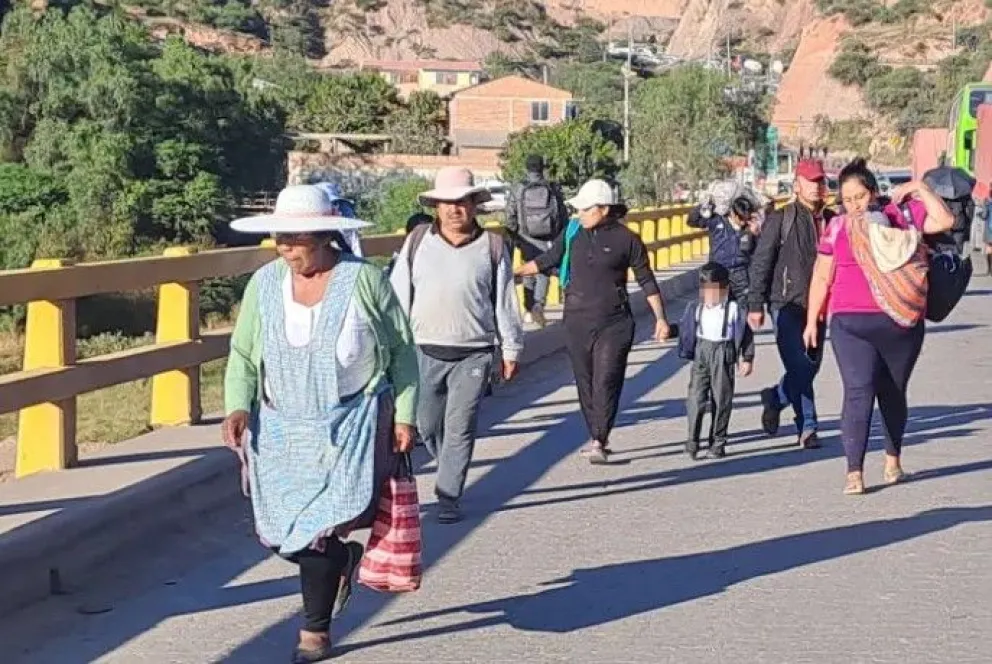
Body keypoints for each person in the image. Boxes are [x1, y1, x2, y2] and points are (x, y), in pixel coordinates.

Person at [220, 185, 420, 662]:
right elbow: (244, 353)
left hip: (349, 425)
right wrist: (238, 406)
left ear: (327, 235)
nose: (286, 249)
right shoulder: (265, 284)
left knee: (319, 529)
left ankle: (314, 631)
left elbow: (402, 350)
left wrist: (407, 414)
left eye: (296, 239)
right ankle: (341, 562)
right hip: (280, 430)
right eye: (279, 239)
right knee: (282, 532)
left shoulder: (365, 282)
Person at [805, 159, 953, 495]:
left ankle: (892, 460)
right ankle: (853, 472)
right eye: (847, 199)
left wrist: (919, 188)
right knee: (858, 390)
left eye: (860, 196)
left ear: (872, 192)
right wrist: (812, 319)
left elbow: (945, 219)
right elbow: (822, 274)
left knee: (892, 391)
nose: (855, 205)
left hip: (900, 323)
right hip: (849, 323)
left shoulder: (902, 214)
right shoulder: (837, 227)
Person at [389, 167, 525, 524]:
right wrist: (391, 344)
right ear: (436, 206)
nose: (454, 209)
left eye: (461, 202)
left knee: (461, 426)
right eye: (446, 203)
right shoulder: (417, 241)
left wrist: (510, 348)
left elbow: (505, 302)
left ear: (474, 205)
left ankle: (448, 495)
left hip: (474, 351)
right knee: (427, 424)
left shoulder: (493, 246)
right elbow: (398, 294)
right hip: (422, 348)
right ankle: (449, 462)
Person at [515, 179, 671, 464]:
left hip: (615, 322)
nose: (580, 214)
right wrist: (514, 273)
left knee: (606, 380)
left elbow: (646, 280)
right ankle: (595, 433)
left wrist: (660, 319)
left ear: (603, 209)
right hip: (576, 320)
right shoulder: (573, 231)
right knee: (585, 382)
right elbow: (548, 259)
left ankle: (600, 438)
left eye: (585, 209)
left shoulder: (628, 239)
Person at [747, 158, 834, 449]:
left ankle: (776, 397)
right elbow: (761, 262)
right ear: (797, 185)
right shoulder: (781, 219)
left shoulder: (833, 220)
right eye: (811, 181)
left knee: (811, 365)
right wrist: (755, 304)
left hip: (819, 306)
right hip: (785, 303)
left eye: (821, 181)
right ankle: (807, 427)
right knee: (799, 364)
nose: (817, 187)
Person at [681, 262, 755, 460]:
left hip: (723, 351)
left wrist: (747, 358)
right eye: (706, 290)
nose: (710, 296)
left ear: (725, 289)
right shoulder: (696, 308)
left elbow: (746, 334)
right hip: (702, 351)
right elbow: (685, 329)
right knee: (695, 397)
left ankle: (718, 441)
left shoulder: (733, 310)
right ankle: (692, 440)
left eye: (715, 290)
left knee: (721, 398)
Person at [504, 155, 568, 327]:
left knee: (528, 272)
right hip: (548, 236)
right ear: (542, 168)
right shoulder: (552, 187)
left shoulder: (519, 188)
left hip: (525, 236)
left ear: (527, 168)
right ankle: (539, 305)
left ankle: (528, 309)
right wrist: (560, 236)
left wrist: (514, 235)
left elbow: (510, 214)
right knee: (544, 269)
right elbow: (562, 214)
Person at [688, 193, 761, 306]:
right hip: (717, 272)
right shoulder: (717, 221)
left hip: (741, 274)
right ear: (732, 213)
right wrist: (702, 206)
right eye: (741, 218)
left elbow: (759, 253)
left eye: (746, 218)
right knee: (713, 311)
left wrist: (756, 234)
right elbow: (692, 221)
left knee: (744, 311)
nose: (743, 222)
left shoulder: (750, 227)